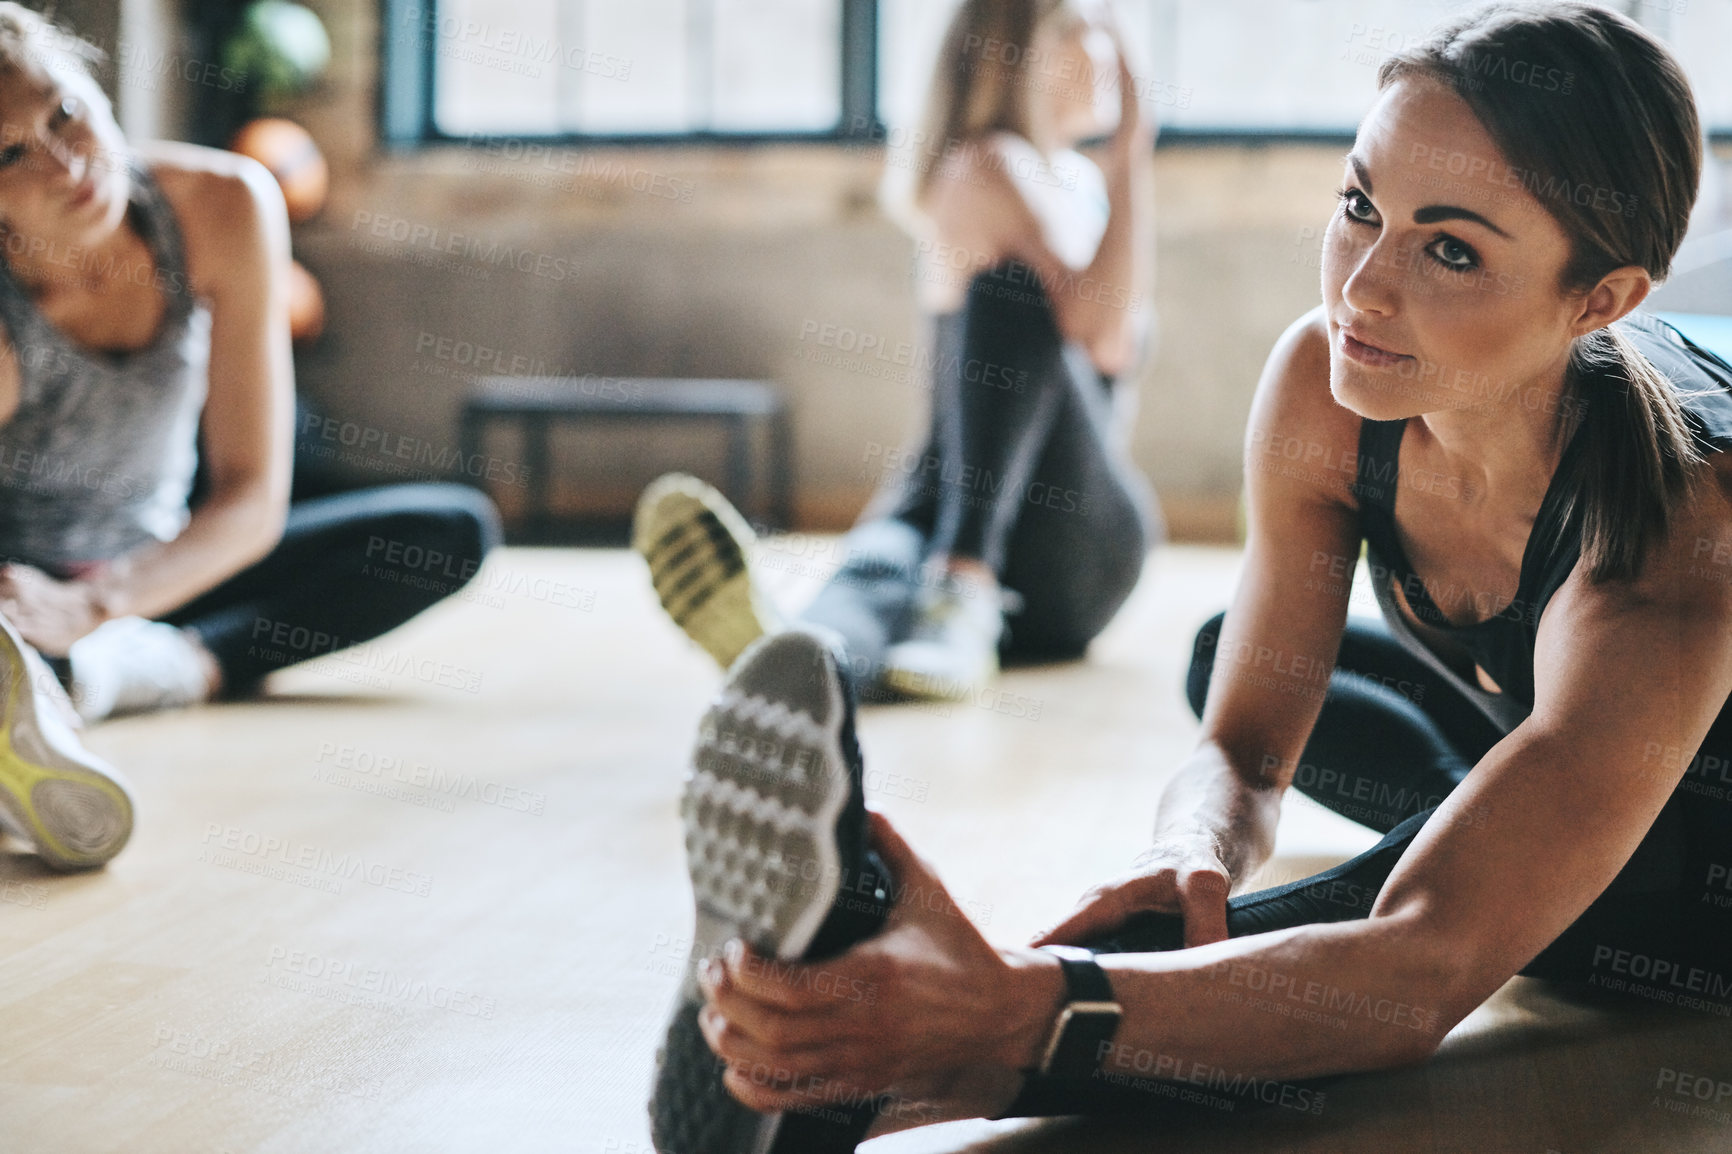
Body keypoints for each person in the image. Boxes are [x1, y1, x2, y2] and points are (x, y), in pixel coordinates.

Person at [649, 3, 1732, 1148]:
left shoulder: (1673, 548)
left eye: (1449, 249)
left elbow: (1422, 969)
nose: (1362, 287)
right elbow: (1245, 747)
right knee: (1232, 656)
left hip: (1702, 871)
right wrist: (1194, 840)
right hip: (1552, 728)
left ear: (1599, 300)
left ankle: (883, 1072)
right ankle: (1495, 814)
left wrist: (1025, 1001)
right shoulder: (1328, 380)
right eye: (1360, 205)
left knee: (1465, 885)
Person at [0, 6, 498, 870]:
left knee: (446, 531)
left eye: (64, 111)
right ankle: (43, 682)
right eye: (10, 154)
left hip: (157, 574)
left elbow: (250, 493)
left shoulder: (224, 205)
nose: (66, 160)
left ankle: (129, 673)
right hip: (16, 600)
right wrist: (40, 611)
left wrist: (96, 606)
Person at [634, 0, 1158, 703]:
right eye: (1076, 27)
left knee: (899, 548)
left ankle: (955, 585)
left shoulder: (1079, 184)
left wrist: (1126, 156)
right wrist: (1134, 145)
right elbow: (1102, 332)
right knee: (879, 569)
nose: (1104, 49)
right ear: (1017, 53)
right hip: (974, 537)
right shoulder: (987, 167)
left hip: (1068, 546)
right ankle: (795, 662)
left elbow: (1104, 342)